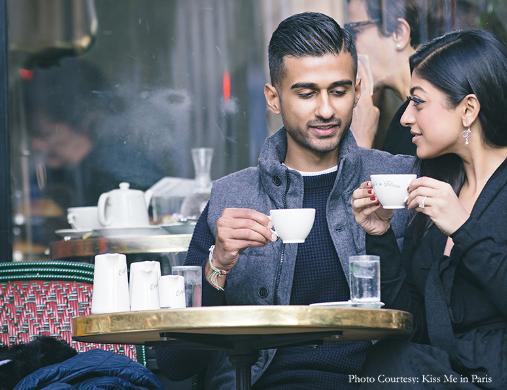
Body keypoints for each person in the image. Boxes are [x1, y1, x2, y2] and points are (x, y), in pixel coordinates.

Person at [156, 12, 414, 389]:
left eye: (339, 91)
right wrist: (218, 264)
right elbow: (177, 362)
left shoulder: (397, 184)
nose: (326, 109)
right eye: (307, 93)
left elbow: (432, 328)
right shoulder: (230, 197)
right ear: (274, 98)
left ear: (358, 91)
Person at [351, 29, 507, 388]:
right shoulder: (438, 188)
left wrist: (463, 228)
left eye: (418, 102)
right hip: (440, 371)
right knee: (382, 362)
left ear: (468, 109)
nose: (405, 117)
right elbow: (412, 323)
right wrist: (380, 236)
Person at [24, 59, 165, 208]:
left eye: (47, 134)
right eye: (32, 134)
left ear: (83, 123)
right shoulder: (45, 178)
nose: (35, 145)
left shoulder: (125, 171)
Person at [346, 0, 455, 154]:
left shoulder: (432, 120)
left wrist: (362, 139)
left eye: (355, 32)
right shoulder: (406, 115)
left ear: (399, 33)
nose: (351, 48)